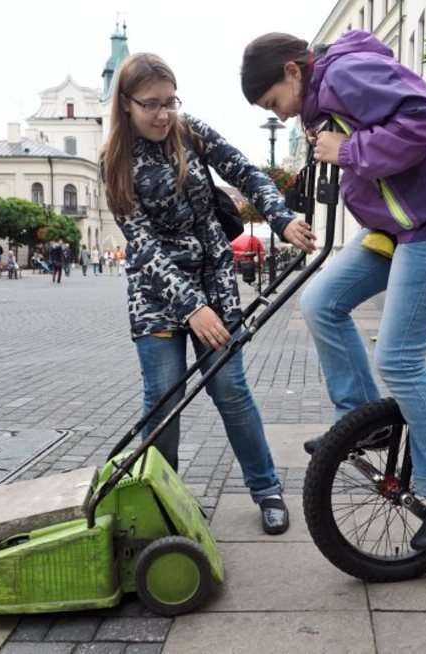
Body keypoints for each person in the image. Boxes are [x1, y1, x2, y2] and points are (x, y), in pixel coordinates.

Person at [241, 30, 426, 551]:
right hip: (395, 231)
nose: (280, 114)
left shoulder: (346, 74)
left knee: (400, 359)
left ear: (293, 71)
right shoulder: (319, 101)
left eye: (273, 102)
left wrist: (349, 149)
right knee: (320, 302)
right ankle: (364, 422)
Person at [102, 52, 314, 534]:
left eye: (170, 102)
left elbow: (245, 171)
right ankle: (161, 501)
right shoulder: (114, 162)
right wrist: (190, 307)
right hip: (156, 295)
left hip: (215, 285)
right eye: (151, 104)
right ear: (126, 104)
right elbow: (144, 246)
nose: (162, 114)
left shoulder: (189, 131)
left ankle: (266, 489)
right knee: (164, 398)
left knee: (230, 390)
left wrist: (281, 218)